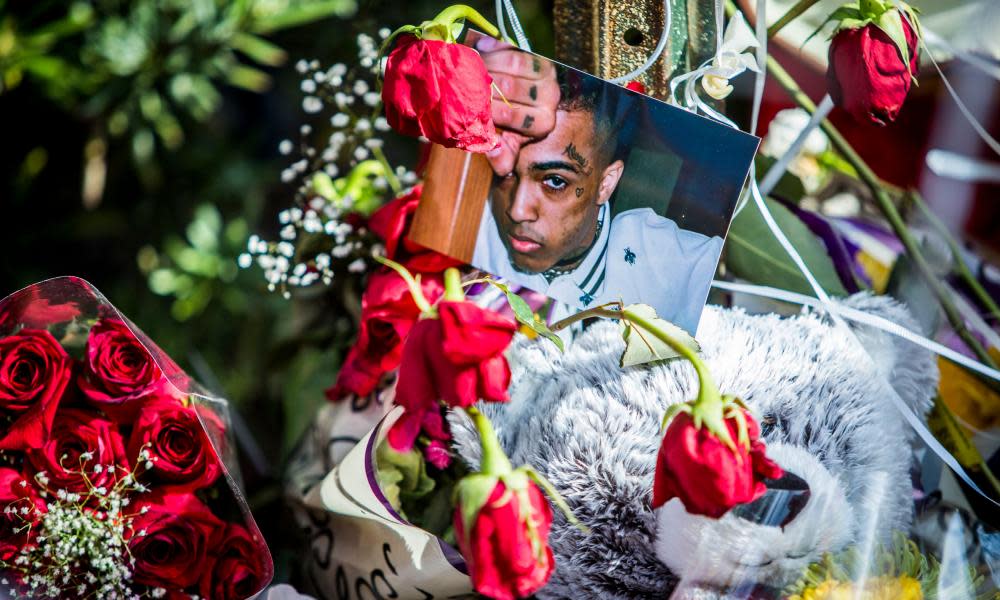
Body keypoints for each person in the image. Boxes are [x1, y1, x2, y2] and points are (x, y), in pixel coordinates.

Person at [470, 37, 723, 333]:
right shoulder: (470, 222)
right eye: (508, 174)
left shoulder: (664, 259)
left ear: (606, 183)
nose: (517, 210)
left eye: (555, 181)